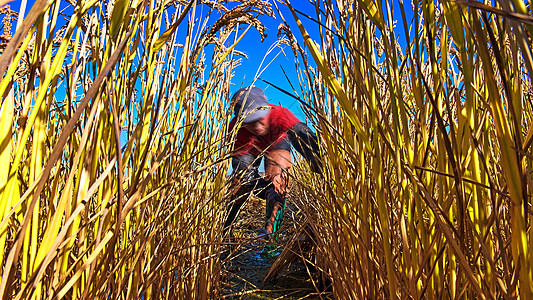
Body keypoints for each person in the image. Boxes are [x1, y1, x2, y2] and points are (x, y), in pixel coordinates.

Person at [224, 86, 321, 241]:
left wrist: (320, 164)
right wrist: (263, 190)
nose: (257, 126)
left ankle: (271, 237)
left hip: (277, 142)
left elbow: (307, 141)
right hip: (249, 150)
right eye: (250, 121)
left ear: (267, 109)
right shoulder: (236, 129)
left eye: (259, 117)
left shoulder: (280, 115)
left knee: (279, 182)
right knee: (238, 189)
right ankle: (225, 232)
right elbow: (245, 173)